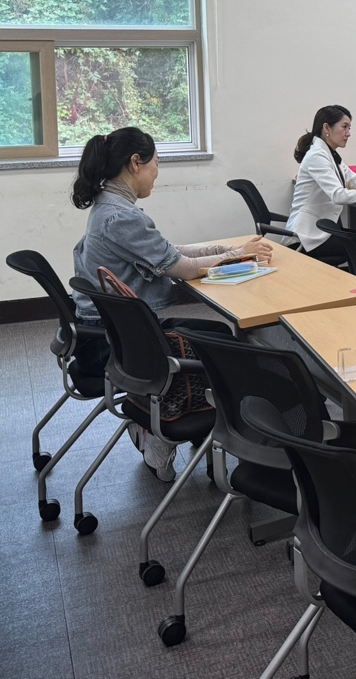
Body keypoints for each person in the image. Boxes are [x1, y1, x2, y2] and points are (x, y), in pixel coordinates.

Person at [70, 126, 266, 479]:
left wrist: (227, 250)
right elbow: (183, 268)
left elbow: (168, 252)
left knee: (219, 332)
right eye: (156, 164)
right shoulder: (122, 216)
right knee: (227, 346)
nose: (157, 173)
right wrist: (239, 256)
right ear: (135, 163)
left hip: (108, 335)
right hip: (117, 346)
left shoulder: (109, 207)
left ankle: (181, 418)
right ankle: (165, 430)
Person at [287, 105, 356, 265]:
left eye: (349, 128)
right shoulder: (317, 156)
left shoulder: (330, 154)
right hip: (307, 238)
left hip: (320, 232)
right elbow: (338, 195)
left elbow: (354, 180)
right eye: (344, 127)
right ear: (326, 128)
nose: (348, 133)